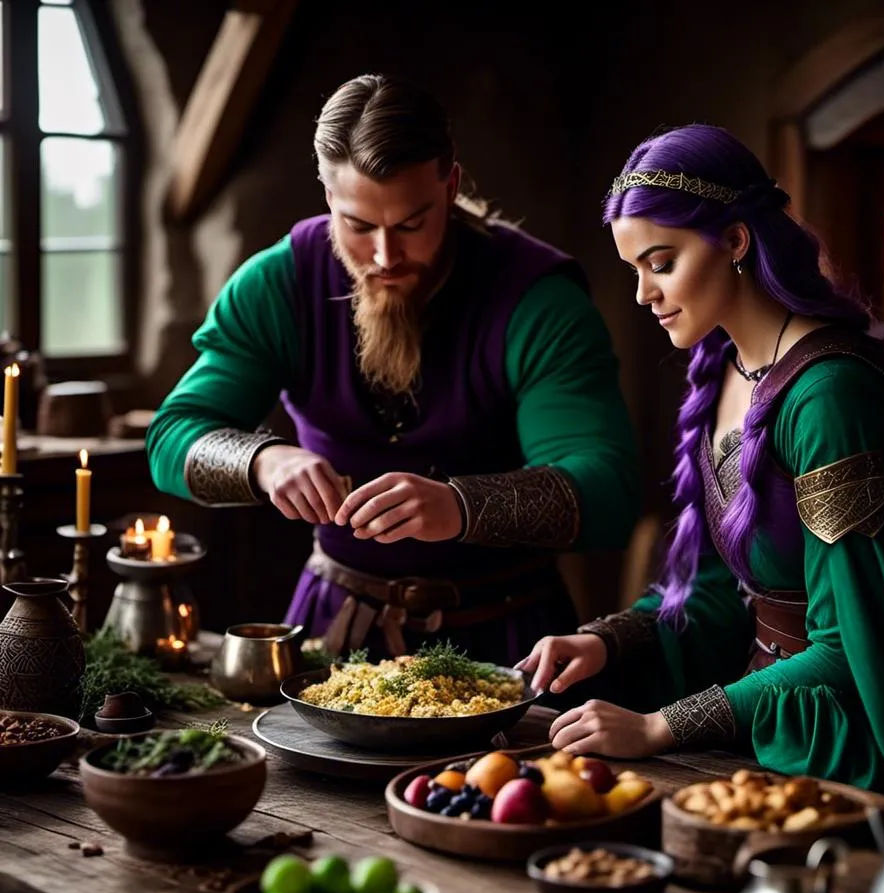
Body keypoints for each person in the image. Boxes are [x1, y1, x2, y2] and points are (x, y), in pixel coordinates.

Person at [518, 124, 884, 799]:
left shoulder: (830, 400)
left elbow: (844, 651)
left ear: (736, 241)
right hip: (766, 730)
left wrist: (663, 726)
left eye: (661, 263)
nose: (643, 294)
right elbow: (723, 592)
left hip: (853, 750)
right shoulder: (724, 365)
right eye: (634, 270)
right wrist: (609, 641)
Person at [146, 73, 640, 665]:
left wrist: (461, 507)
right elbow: (170, 439)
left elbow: (609, 493)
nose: (384, 256)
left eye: (411, 224)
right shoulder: (277, 283)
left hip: (511, 639)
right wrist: (261, 460)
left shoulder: (537, 299)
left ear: (451, 185)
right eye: (357, 226)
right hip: (332, 630)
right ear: (328, 196)